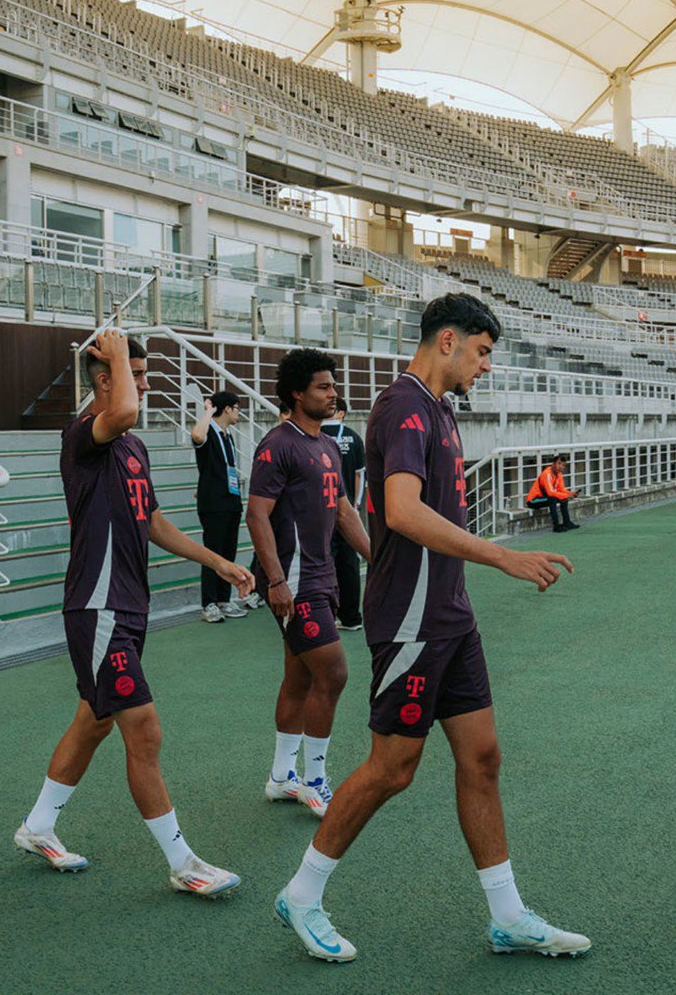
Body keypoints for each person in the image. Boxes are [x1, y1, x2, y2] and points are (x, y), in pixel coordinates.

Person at [274, 293, 587, 964]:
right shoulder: (404, 405)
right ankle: (301, 894)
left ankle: (507, 915)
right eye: (481, 352)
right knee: (392, 769)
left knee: (482, 757)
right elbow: (405, 513)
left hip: (450, 616)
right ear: (448, 340)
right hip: (412, 621)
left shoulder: (440, 408)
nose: (485, 367)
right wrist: (504, 555)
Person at [12, 330, 253, 896]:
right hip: (97, 608)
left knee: (93, 721)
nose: (144, 387)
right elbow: (120, 407)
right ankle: (184, 863)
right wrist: (116, 353)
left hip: (128, 605)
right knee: (142, 730)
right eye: (137, 376)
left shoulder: (133, 447)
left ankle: (39, 825)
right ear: (104, 379)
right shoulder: (84, 436)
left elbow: (152, 521)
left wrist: (217, 560)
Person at [244, 348, 370, 818]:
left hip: (323, 576)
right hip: (295, 582)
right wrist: (275, 580)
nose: (333, 393)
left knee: (298, 678)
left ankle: (281, 777)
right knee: (333, 672)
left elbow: (343, 510)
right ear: (297, 393)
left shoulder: (327, 446)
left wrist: (378, 559)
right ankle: (316, 781)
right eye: (323, 386)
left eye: (333, 385)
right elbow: (257, 514)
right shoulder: (278, 444)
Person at [192, 389, 250, 623]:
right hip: (214, 502)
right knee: (213, 553)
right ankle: (209, 603)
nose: (239, 414)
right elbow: (196, 436)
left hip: (230, 500)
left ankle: (224, 600)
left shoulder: (228, 435)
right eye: (237, 409)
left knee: (228, 553)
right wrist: (208, 411)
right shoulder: (208, 431)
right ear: (226, 409)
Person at [321, 406, 366, 631]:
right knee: (349, 563)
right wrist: (355, 504)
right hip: (348, 511)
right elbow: (360, 474)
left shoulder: (313, 436)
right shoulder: (354, 437)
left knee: (323, 563)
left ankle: (325, 616)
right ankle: (351, 617)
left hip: (321, 513)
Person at [524, 455, 580, 533]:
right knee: (552, 499)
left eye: (563, 465)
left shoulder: (559, 474)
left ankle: (567, 523)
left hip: (545, 498)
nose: (561, 467)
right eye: (559, 463)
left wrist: (571, 493)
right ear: (553, 464)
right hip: (533, 500)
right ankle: (556, 526)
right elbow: (550, 492)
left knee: (563, 499)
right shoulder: (547, 474)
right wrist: (567, 495)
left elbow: (562, 489)